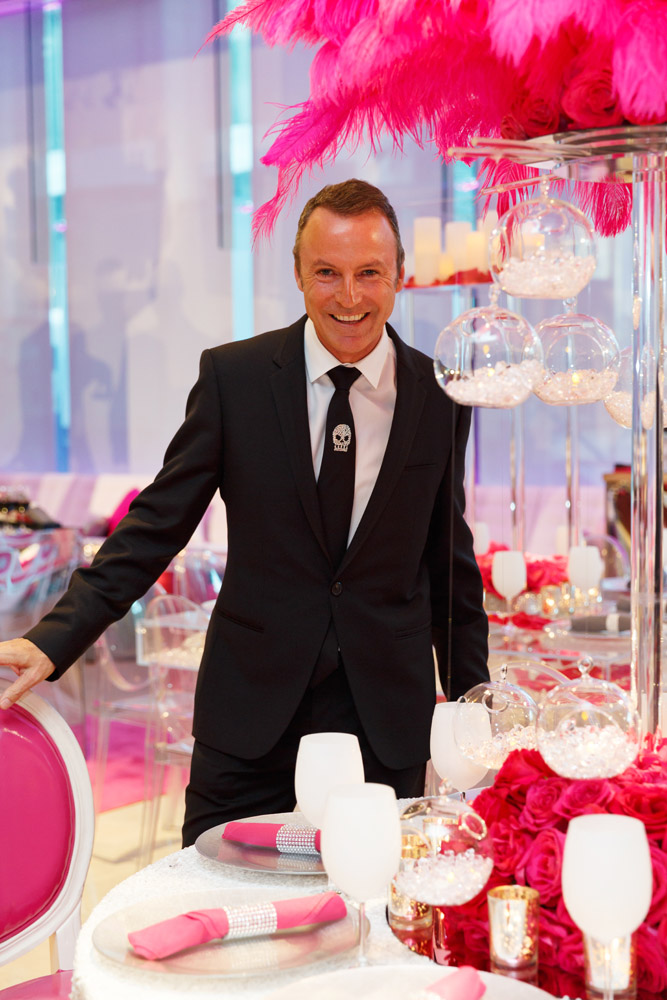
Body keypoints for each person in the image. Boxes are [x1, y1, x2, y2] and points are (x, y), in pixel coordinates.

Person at [0, 179, 488, 844]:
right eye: (327, 272)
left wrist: (472, 709)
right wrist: (53, 639)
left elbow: (449, 566)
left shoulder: (440, 397)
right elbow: (155, 526)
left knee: (370, 900)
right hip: (249, 719)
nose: (349, 297)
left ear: (399, 275)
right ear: (298, 274)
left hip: (383, 725)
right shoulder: (235, 380)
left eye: (369, 273)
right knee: (206, 883)